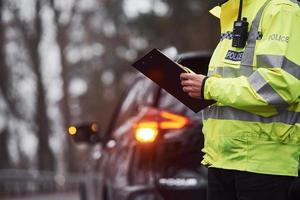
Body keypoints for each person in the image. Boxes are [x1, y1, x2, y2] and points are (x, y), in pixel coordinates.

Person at [180, 0, 300, 200]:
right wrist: (195, 84)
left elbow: (279, 86)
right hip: (220, 159)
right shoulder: (232, 13)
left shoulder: (282, 10)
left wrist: (208, 87)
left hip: (264, 163)